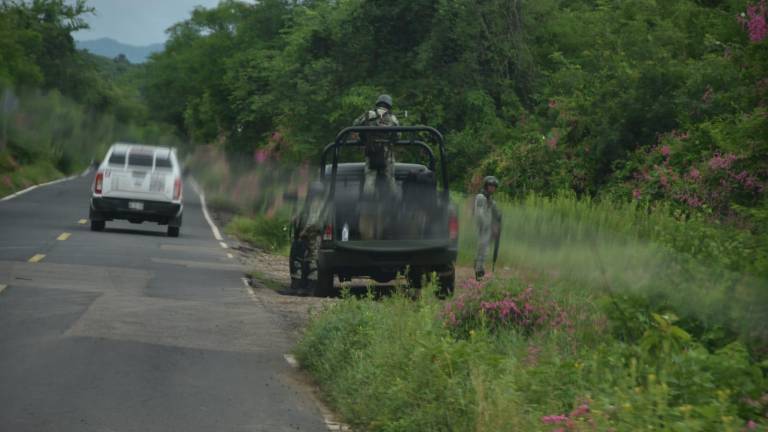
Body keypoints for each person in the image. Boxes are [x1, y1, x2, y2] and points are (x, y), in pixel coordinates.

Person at [353, 95, 400, 239]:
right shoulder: (393, 119)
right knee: (390, 179)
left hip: (371, 154)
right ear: (389, 105)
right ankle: (393, 203)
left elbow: (355, 125)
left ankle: (368, 202)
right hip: (387, 156)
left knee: (370, 177)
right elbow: (397, 136)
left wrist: (364, 138)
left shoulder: (368, 115)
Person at [290, 181, 328, 296]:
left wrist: (303, 232)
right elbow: (301, 217)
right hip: (308, 236)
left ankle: (310, 288)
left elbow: (313, 222)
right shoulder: (311, 204)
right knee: (303, 261)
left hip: (313, 236)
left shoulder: (318, 204)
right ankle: (302, 286)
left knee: (312, 262)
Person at [474, 175, 500, 281]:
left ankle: (480, 268)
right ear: (486, 186)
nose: (492, 188)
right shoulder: (481, 197)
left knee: (485, 250)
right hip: (482, 228)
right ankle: (478, 271)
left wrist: (495, 225)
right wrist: (486, 226)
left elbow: (495, 215)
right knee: (482, 249)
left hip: (488, 228)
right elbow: (479, 214)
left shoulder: (491, 200)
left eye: (494, 186)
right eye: (490, 185)